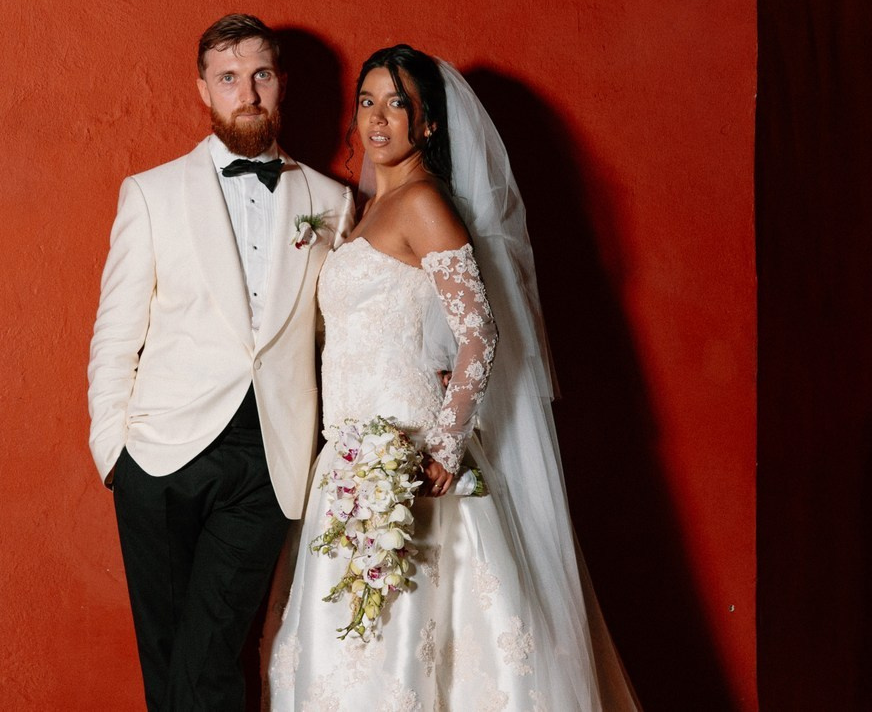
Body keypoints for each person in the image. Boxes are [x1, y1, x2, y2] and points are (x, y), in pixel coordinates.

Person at [269, 45, 640, 712]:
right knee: (348, 652)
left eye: (397, 103)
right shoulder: (367, 211)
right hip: (350, 459)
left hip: (406, 461)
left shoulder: (422, 203)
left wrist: (443, 446)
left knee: (405, 648)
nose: (377, 119)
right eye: (368, 101)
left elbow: (480, 332)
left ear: (429, 123)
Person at [89, 14, 358, 712]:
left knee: (207, 659)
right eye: (229, 77)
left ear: (282, 84)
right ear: (203, 89)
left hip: (269, 462)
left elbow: (337, 336)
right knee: (169, 667)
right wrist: (115, 452)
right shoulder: (151, 192)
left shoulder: (331, 202)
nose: (248, 92)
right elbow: (115, 332)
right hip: (159, 456)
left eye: (260, 74)